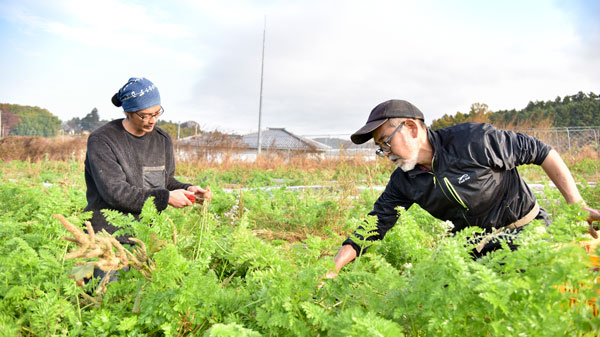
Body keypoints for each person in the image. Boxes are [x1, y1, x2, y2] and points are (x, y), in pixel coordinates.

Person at [328, 99, 600, 277]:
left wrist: (576, 205)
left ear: (411, 128)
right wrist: (334, 266)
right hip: (471, 252)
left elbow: (542, 152)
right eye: (379, 148)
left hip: (526, 234)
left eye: (385, 142)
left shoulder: (473, 141)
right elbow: (376, 222)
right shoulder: (404, 180)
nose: (385, 153)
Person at [83, 77, 212, 281]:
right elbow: (115, 192)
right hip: (108, 238)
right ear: (128, 112)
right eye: (144, 115)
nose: (152, 120)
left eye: (157, 113)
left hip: (145, 237)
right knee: (106, 301)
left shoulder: (161, 140)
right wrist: (166, 198)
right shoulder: (103, 140)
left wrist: (188, 190)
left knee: (142, 302)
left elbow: (165, 182)